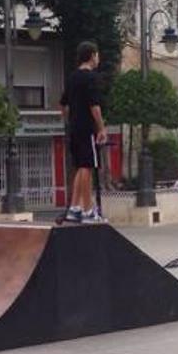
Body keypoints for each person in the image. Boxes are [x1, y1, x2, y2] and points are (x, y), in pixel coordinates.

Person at [60, 41, 107, 223]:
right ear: (92, 55)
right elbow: (94, 106)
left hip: (74, 128)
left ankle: (74, 207)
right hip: (87, 128)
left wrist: (72, 119)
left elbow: (63, 104)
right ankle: (88, 210)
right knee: (87, 167)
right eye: (97, 55)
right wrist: (101, 128)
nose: (98, 58)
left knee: (80, 167)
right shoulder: (90, 78)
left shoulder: (72, 77)